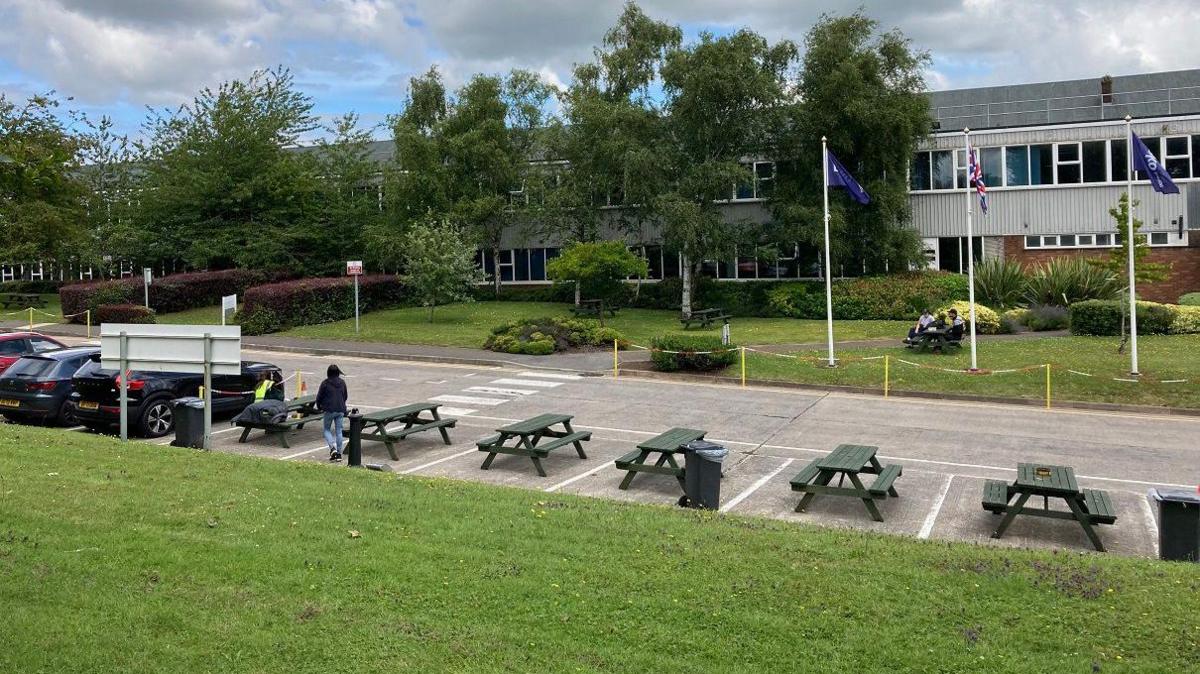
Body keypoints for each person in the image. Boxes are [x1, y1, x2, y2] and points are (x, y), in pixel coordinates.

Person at [316, 364, 348, 461]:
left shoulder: (325, 383)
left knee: (326, 429)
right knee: (339, 431)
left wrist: (319, 406)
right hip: (341, 409)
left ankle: (332, 448)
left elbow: (319, 397)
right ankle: (339, 454)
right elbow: (345, 396)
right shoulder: (342, 382)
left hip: (329, 409)